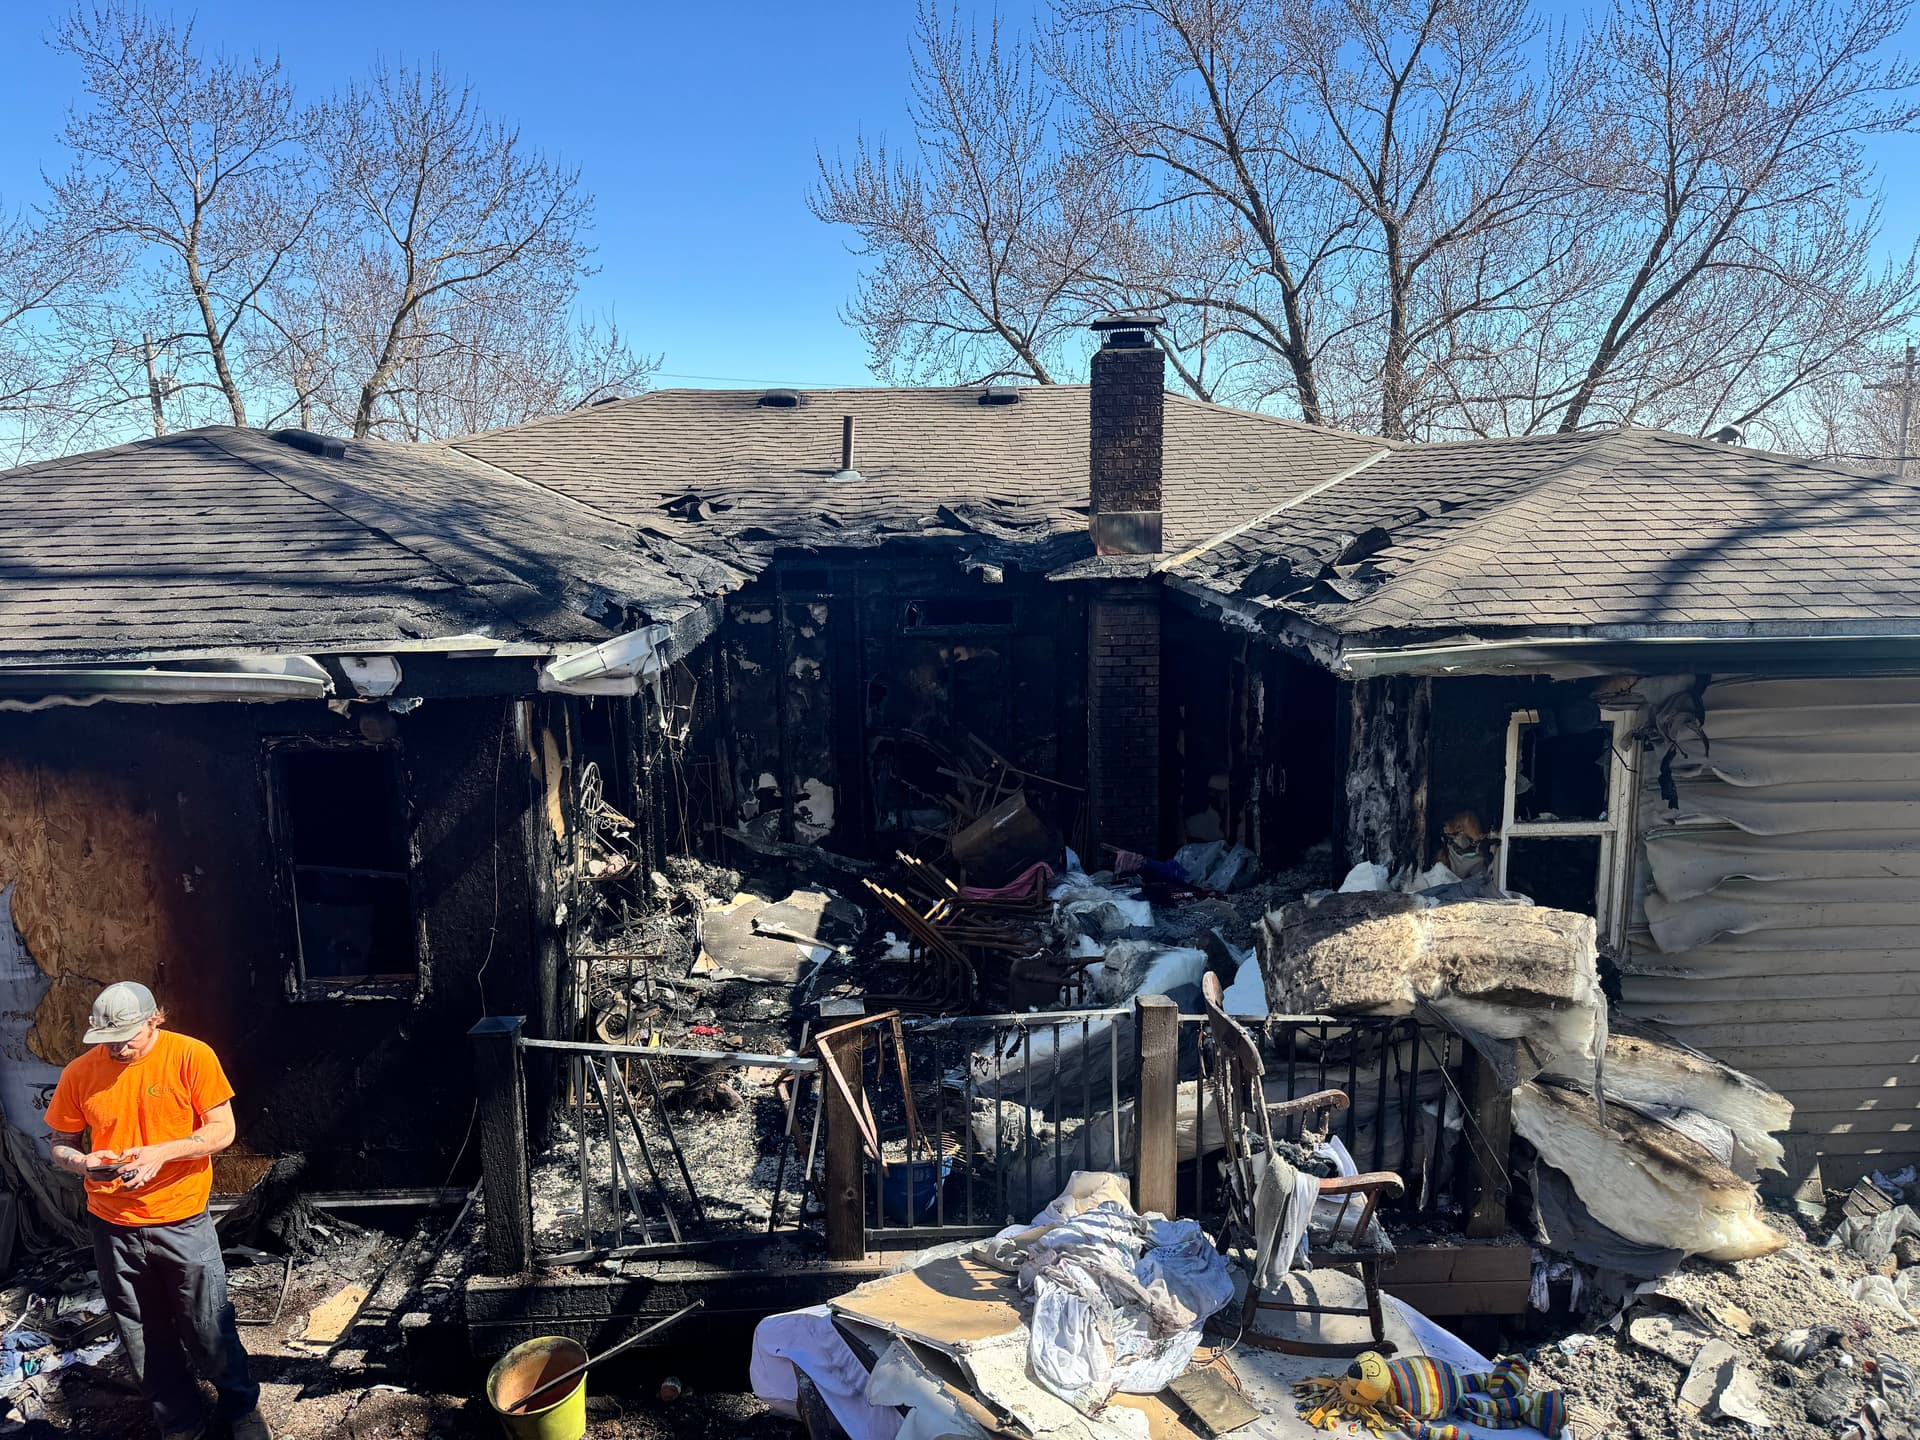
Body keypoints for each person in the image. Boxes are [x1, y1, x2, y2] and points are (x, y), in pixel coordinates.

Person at [45, 982, 271, 1440]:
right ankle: (179, 1424)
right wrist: (83, 1162)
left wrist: (161, 1154)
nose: (119, 1047)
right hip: (113, 1227)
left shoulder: (191, 1056)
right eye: (108, 1040)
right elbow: (60, 1144)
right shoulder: (79, 1073)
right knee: (141, 1335)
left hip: (182, 1218)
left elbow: (221, 1130)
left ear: (156, 1018)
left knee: (208, 1323)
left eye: (128, 1036)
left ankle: (240, 1409)